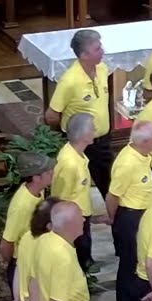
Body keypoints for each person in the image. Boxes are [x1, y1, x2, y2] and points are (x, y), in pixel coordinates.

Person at [46, 29, 113, 211]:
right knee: (78, 185)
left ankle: (113, 216)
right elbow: (51, 115)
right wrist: (68, 133)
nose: (103, 51)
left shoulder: (102, 69)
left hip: (102, 141)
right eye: (97, 49)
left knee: (110, 184)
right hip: (81, 143)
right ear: (84, 55)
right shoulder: (69, 81)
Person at [106, 120, 152, 301]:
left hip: (143, 216)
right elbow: (112, 196)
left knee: (141, 266)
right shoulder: (127, 163)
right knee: (130, 269)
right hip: (130, 218)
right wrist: (114, 220)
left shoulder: (143, 155)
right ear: (145, 142)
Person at [6, 197, 58, 301]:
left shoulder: (28, 236)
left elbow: (18, 271)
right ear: (50, 224)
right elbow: (35, 286)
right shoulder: (49, 246)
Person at [51, 113, 102, 272]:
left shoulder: (80, 155)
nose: (95, 130)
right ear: (83, 134)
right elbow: (60, 197)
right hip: (72, 219)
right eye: (92, 128)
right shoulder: (69, 163)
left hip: (82, 215)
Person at [0, 152, 54, 296]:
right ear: (36, 178)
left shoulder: (39, 191)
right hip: (22, 263)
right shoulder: (21, 205)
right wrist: (8, 262)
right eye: (48, 172)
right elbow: (7, 241)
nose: (52, 173)